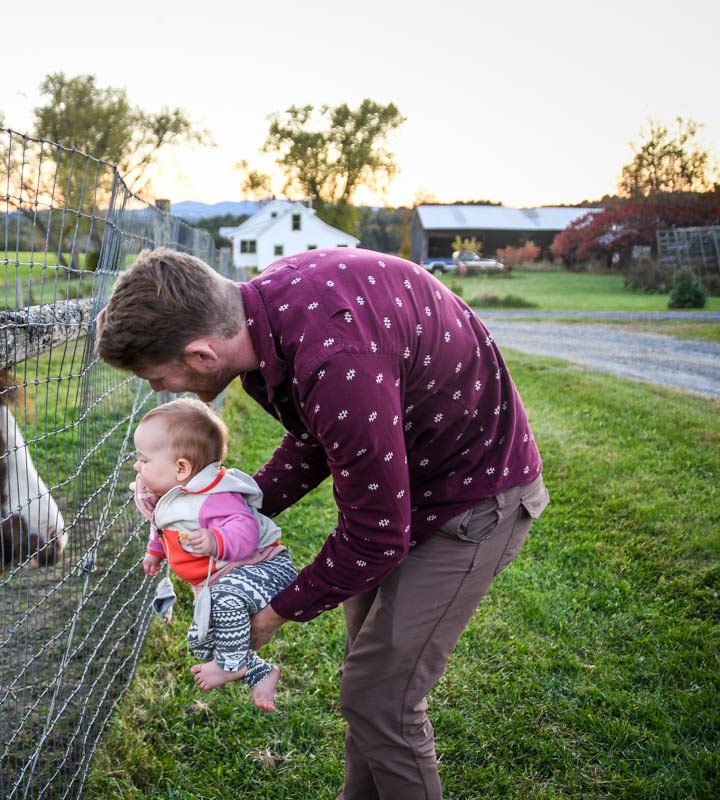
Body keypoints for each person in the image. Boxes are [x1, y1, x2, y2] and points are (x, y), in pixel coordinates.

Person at [98, 246, 550, 799]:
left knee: (382, 697)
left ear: (201, 354)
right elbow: (318, 435)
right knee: (370, 685)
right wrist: (218, 506)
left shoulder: (332, 357)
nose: (157, 390)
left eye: (155, 376)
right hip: (407, 482)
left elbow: (377, 534)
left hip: (471, 499)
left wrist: (275, 612)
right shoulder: (267, 313)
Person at [132, 397, 298, 712]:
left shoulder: (214, 496)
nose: (136, 466)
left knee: (226, 600)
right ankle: (258, 671)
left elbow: (245, 531)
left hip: (263, 570)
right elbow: (162, 526)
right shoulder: (169, 495)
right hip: (221, 581)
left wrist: (215, 539)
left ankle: (232, 663)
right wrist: (156, 552)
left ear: (181, 468)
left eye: (143, 459)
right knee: (202, 641)